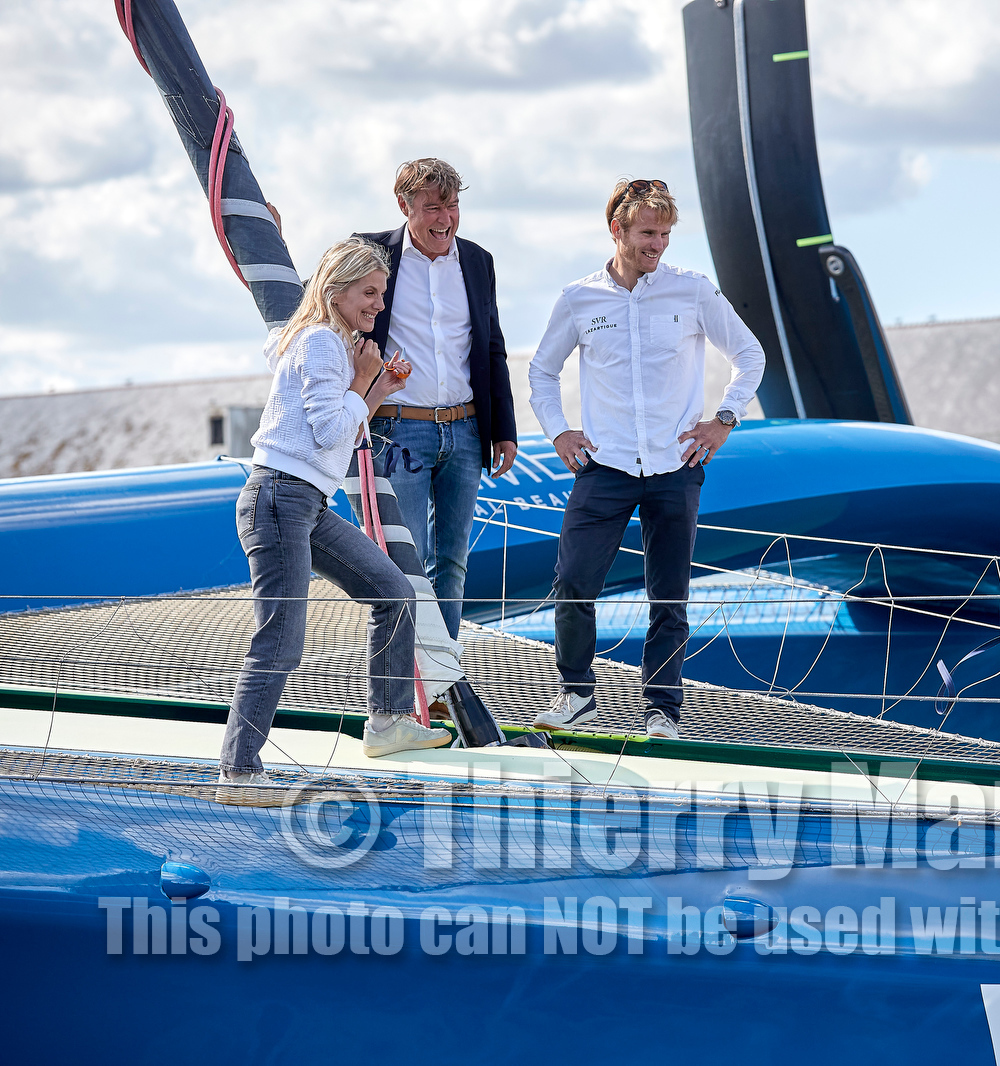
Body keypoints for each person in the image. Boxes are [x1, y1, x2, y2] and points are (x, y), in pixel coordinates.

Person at [527, 179, 765, 740]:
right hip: (603, 467)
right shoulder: (578, 298)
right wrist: (559, 432)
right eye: (646, 233)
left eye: (664, 234)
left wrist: (724, 419)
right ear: (617, 229)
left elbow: (749, 354)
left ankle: (663, 710)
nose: (657, 245)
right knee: (574, 583)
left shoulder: (693, 291)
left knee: (669, 594)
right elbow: (541, 371)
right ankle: (577, 695)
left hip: (675, 466)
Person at [219, 238, 451, 806]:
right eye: (368, 293)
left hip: (304, 500)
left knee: (392, 592)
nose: (377, 304)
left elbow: (339, 431)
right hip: (279, 497)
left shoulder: (321, 343)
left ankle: (389, 721)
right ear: (336, 290)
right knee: (281, 638)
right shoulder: (322, 341)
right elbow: (328, 433)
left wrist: (375, 392)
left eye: (381, 294)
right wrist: (361, 383)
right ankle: (238, 772)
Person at [354, 158, 519, 637]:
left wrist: (503, 430)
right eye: (432, 207)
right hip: (396, 429)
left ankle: (445, 675)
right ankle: (403, 677)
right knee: (400, 562)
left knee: (453, 561)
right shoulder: (368, 252)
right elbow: (322, 303)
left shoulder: (478, 259)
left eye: (452, 205)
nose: (445, 218)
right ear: (403, 206)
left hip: (466, 431)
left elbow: (492, 346)